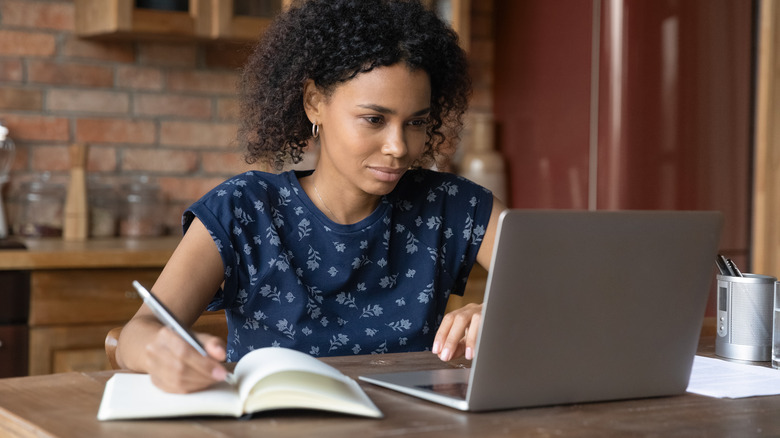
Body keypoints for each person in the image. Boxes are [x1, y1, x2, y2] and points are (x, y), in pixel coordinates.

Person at [116, 0, 507, 394]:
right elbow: (138, 331)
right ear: (314, 103)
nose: (398, 147)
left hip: (413, 422)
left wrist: (501, 312)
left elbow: (547, 285)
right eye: (374, 119)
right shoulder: (244, 209)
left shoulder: (451, 205)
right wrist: (161, 352)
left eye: (416, 122)